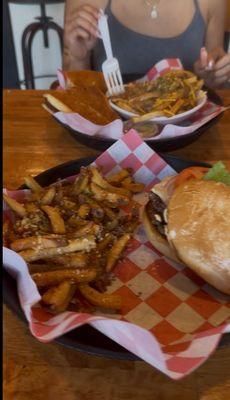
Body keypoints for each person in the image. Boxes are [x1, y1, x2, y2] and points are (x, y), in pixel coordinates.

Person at [63, 0, 230, 88]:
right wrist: (79, 58)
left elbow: (213, 86)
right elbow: (74, 97)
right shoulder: (87, 2)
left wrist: (215, 73)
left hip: (187, 138)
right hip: (107, 137)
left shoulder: (212, 2)